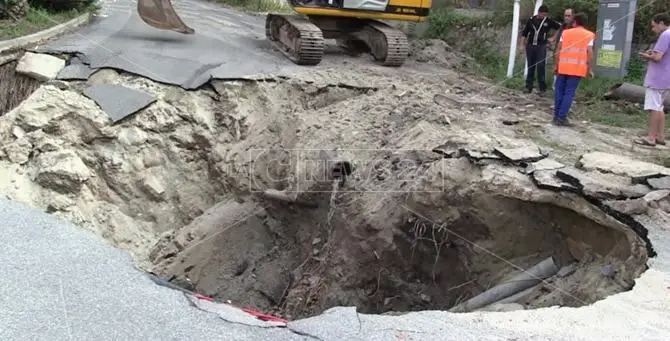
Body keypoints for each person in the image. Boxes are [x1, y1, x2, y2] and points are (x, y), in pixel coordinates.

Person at [552, 12, 595, 126]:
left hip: (563, 67)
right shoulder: (589, 35)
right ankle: (561, 118)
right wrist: (590, 69)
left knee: (559, 91)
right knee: (569, 93)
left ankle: (556, 117)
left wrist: (556, 65)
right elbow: (590, 53)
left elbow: (558, 51)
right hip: (577, 69)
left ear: (575, 22)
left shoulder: (565, 33)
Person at [635, 13, 670, 146]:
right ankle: (660, 136)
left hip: (658, 78)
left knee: (653, 108)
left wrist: (645, 56)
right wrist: (653, 53)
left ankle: (651, 138)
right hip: (666, 77)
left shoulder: (665, 35)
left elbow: (657, 58)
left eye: (654, 26)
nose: (653, 29)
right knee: (659, 107)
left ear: (661, 23)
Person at [520, 5, 562, 94]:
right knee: (530, 66)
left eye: (545, 14)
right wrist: (521, 45)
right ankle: (528, 86)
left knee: (541, 66)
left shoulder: (548, 21)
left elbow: (560, 27)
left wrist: (553, 38)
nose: (544, 16)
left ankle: (542, 88)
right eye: (542, 14)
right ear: (539, 13)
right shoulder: (531, 20)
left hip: (541, 46)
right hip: (530, 45)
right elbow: (524, 33)